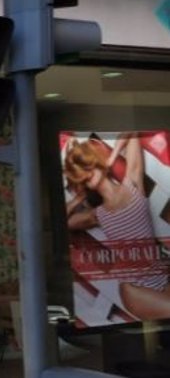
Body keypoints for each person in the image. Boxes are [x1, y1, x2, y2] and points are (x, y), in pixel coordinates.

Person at [64, 132, 170, 320]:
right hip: (134, 289)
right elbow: (63, 222)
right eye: (82, 175)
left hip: (161, 278)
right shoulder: (98, 214)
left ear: (94, 161)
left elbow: (132, 132)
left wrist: (111, 159)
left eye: (87, 167)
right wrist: (79, 197)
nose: (87, 175)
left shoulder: (132, 184)